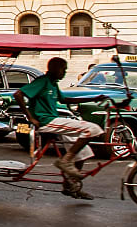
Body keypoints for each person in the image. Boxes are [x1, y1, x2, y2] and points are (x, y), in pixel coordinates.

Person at [15, 56, 109, 199]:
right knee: (93, 129)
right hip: (46, 121)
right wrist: (30, 117)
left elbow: (64, 100)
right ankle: (65, 161)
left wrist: (93, 98)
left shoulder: (53, 83)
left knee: (83, 152)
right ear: (53, 68)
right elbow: (18, 94)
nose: (64, 72)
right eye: (63, 69)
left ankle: (71, 186)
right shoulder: (42, 82)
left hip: (54, 120)